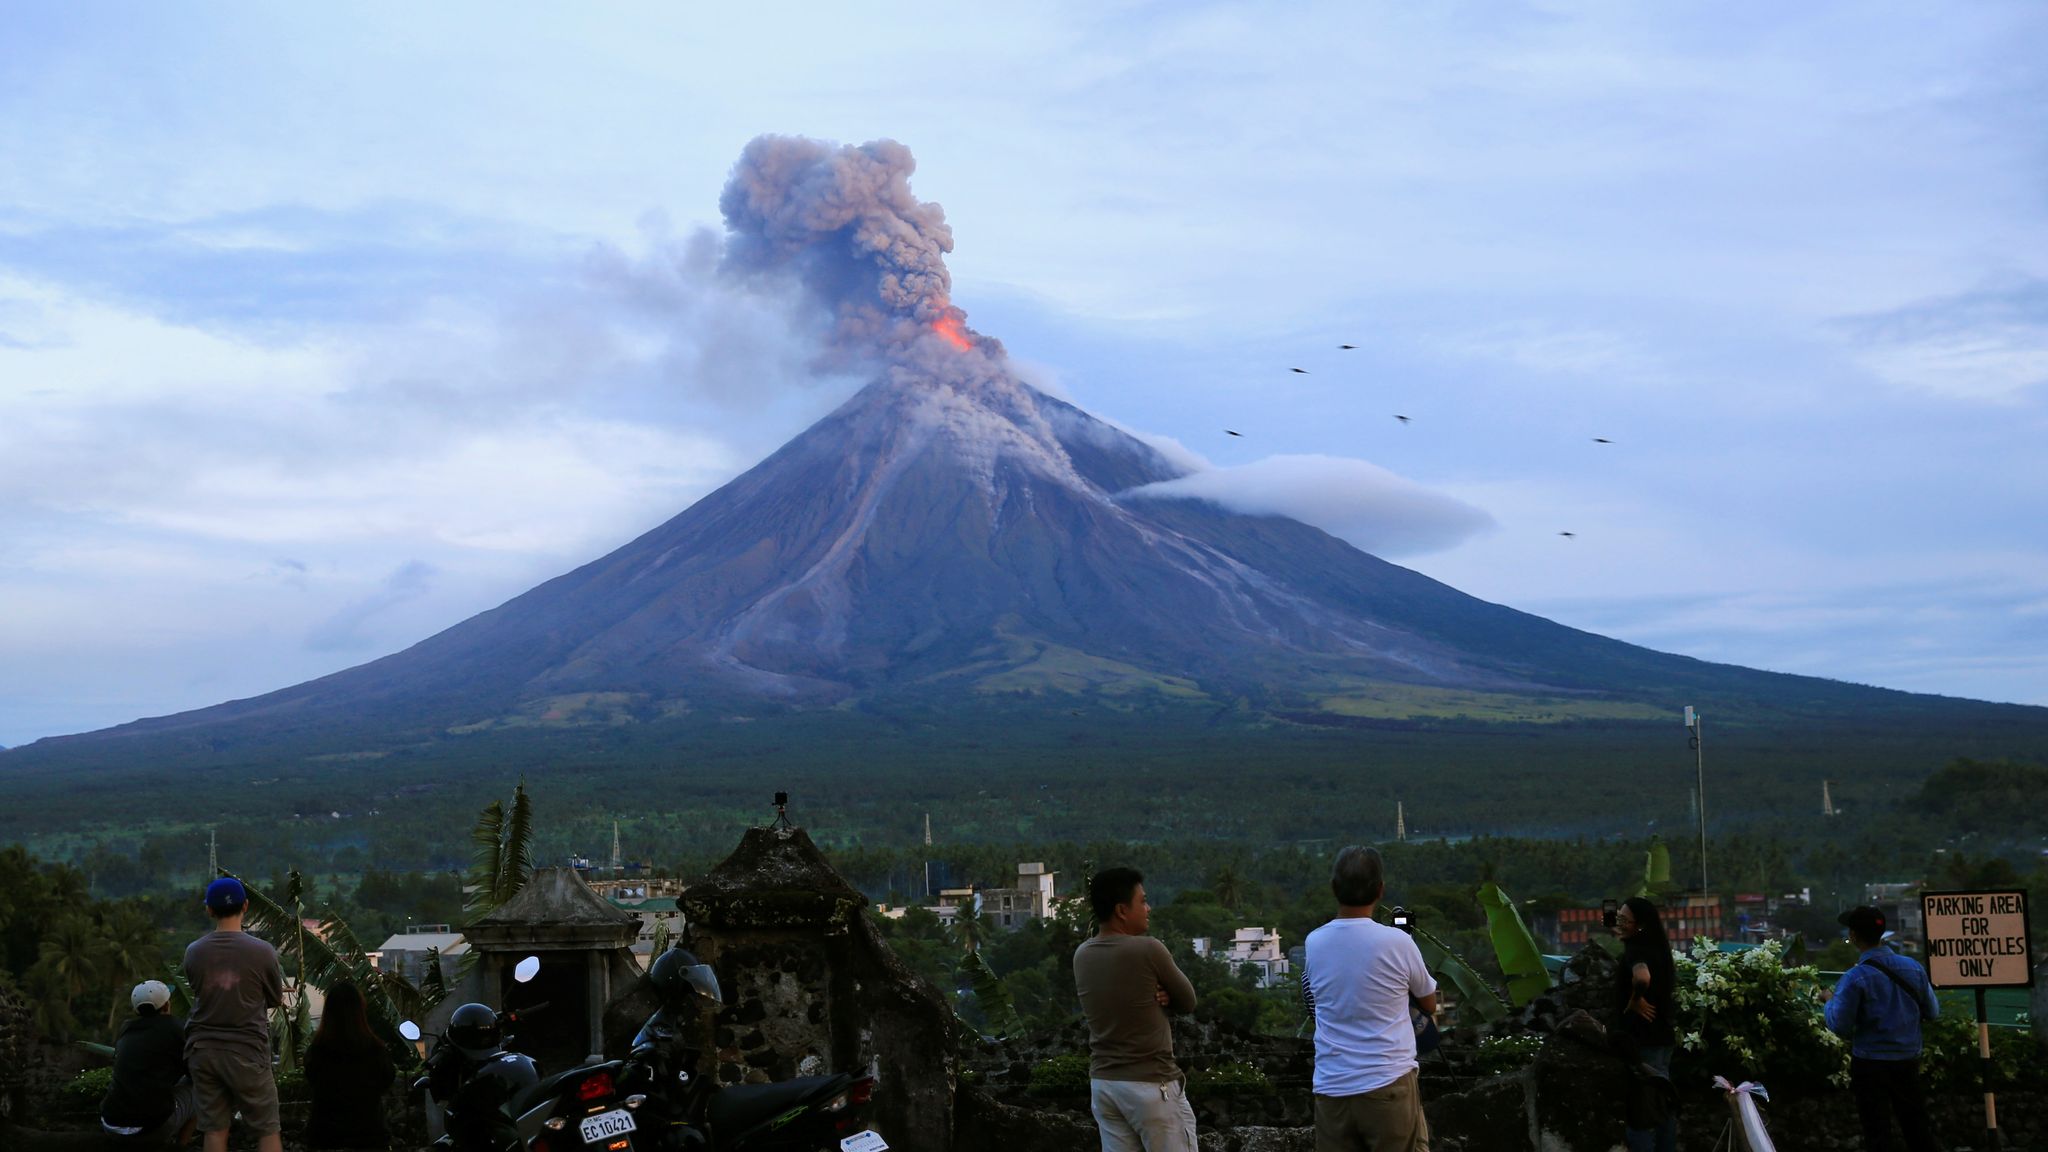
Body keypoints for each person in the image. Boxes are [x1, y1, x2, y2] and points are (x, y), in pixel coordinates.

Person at [1302, 845, 1437, 1152]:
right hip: (1387, 1081)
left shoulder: (1314, 942)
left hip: (1331, 1089)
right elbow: (1429, 1005)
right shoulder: (1398, 942)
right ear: (1380, 890)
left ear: (1334, 888)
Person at [1072, 866, 1199, 1152]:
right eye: (1142, 901)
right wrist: (1169, 996)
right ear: (1121, 910)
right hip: (1150, 1085)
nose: (1148, 908)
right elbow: (1188, 1000)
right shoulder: (1148, 950)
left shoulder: (1082, 955)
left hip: (1105, 1085)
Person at [1823, 906, 1941, 1152]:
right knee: (1917, 1128)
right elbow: (1933, 1012)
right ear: (1882, 932)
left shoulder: (1855, 977)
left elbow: (1840, 1026)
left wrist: (1829, 1002)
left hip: (1870, 1064)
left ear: (1854, 936)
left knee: (1877, 1132)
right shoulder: (1913, 968)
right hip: (1908, 1059)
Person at [183, 877, 286, 1152]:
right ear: (246, 906)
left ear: (209, 910)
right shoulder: (263, 952)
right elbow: (275, 998)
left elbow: (197, 991)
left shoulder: (194, 952)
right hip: (247, 1051)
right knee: (267, 1130)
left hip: (203, 1050)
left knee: (214, 1131)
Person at [1612, 896, 1678, 1152]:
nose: (1619, 923)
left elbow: (1642, 976)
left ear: (1639, 924)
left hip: (1642, 1040)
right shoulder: (1659, 949)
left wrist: (1635, 999)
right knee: (1663, 1104)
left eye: (1623, 920)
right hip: (1661, 1037)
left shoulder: (1636, 951)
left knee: (1639, 1111)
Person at [100, 979, 197, 1146]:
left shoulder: (127, 1029)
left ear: (136, 1010)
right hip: (150, 1129)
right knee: (202, 1086)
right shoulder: (176, 1028)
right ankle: (181, 1146)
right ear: (167, 1005)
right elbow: (195, 1071)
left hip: (110, 1124)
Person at [304, 981, 396, 1149]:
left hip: (325, 1137)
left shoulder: (318, 1051)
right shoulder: (374, 1050)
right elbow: (387, 1079)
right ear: (360, 1011)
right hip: (369, 1137)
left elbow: (312, 1078)